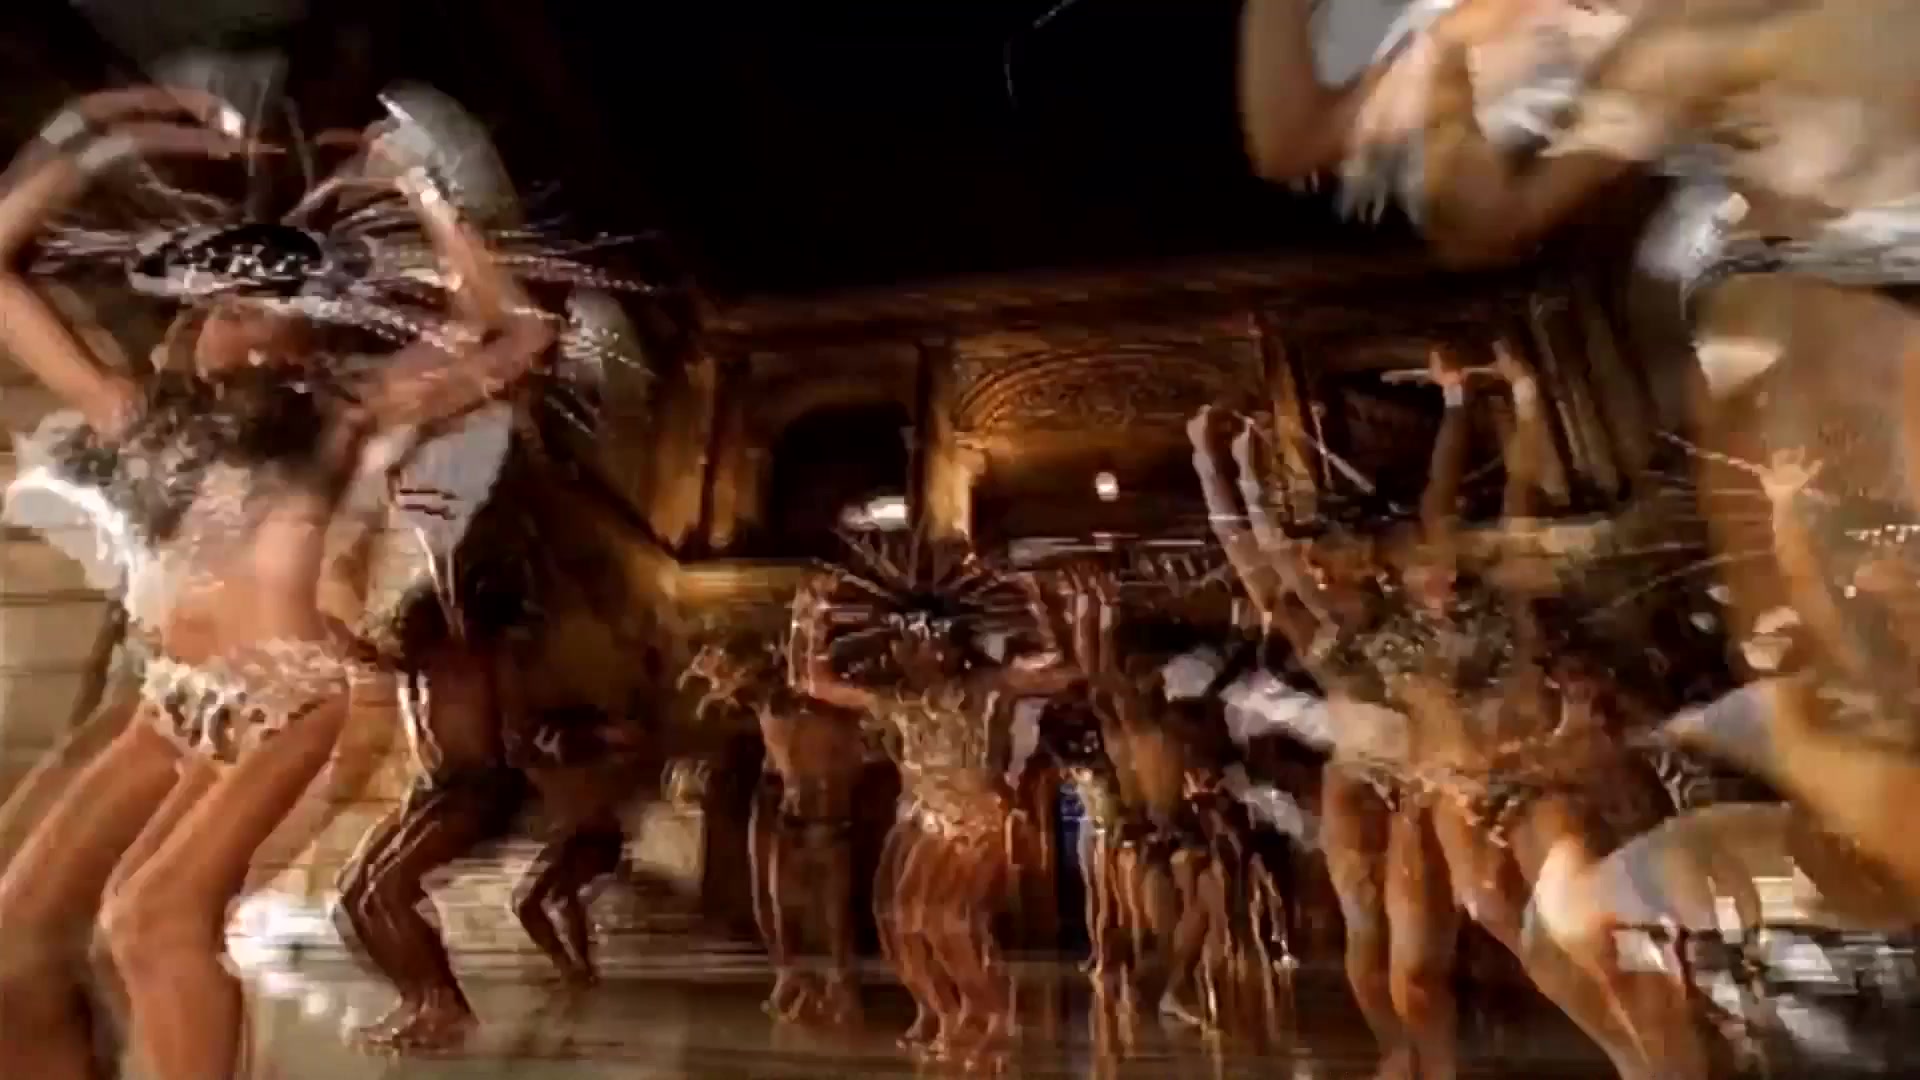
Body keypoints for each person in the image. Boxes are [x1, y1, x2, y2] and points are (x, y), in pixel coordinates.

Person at [0, 85, 553, 1080]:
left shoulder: (350, 416)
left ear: (309, 336)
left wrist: (424, 186)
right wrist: (97, 135)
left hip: (280, 701)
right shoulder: (135, 415)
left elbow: (517, 334)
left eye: (271, 310)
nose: (245, 331)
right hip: (171, 700)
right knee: (16, 931)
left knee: (151, 920)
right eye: (224, 309)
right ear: (194, 326)